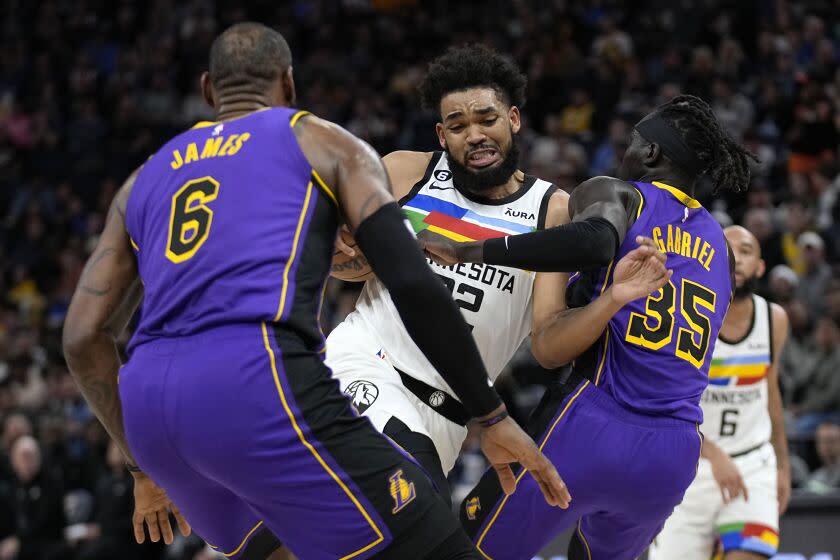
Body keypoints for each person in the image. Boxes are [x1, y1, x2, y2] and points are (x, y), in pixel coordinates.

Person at [61, 23, 567, 560]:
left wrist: (143, 466)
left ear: (208, 90)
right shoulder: (317, 140)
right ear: (289, 85)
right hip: (261, 380)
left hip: (151, 415)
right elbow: (413, 284)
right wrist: (491, 414)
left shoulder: (145, 176)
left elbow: (81, 339)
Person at [326, 44, 669, 506]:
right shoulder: (406, 172)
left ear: (513, 119)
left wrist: (611, 301)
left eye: (486, 119)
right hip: (366, 364)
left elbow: (547, 344)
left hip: (451, 417)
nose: (474, 135)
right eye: (458, 125)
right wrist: (338, 245)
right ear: (441, 135)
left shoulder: (553, 209)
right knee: (412, 519)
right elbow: (336, 257)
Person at [424, 95, 751, 560]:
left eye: (632, 142)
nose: (625, 152)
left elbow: (595, 242)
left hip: (595, 424)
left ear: (652, 154)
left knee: (467, 550)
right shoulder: (721, 246)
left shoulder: (619, 194)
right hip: (674, 453)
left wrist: (471, 250)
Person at [649, 225, 791, 560]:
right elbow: (664, 403)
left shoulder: (774, 319)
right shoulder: (683, 315)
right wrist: (713, 454)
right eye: (728, 249)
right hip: (689, 469)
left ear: (759, 266)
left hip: (752, 465)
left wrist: (782, 466)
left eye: (746, 250)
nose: (737, 259)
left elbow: (771, 396)